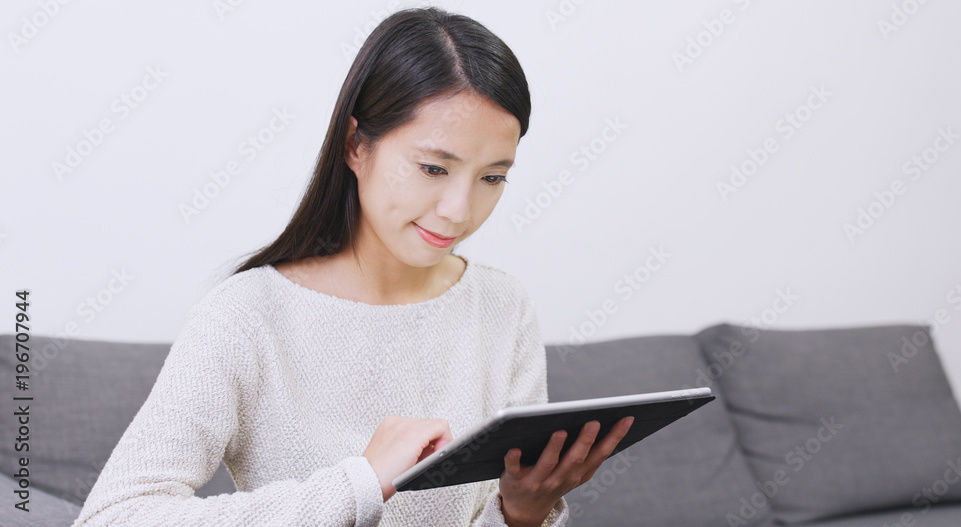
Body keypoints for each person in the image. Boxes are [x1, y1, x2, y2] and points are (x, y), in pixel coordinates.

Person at [72, 6, 633, 526]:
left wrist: (523, 512)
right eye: (434, 168)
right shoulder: (248, 315)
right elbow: (115, 516)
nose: (460, 211)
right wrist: (358, 484)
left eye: (492, 177)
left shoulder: (502, 306)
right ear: (355, 145)